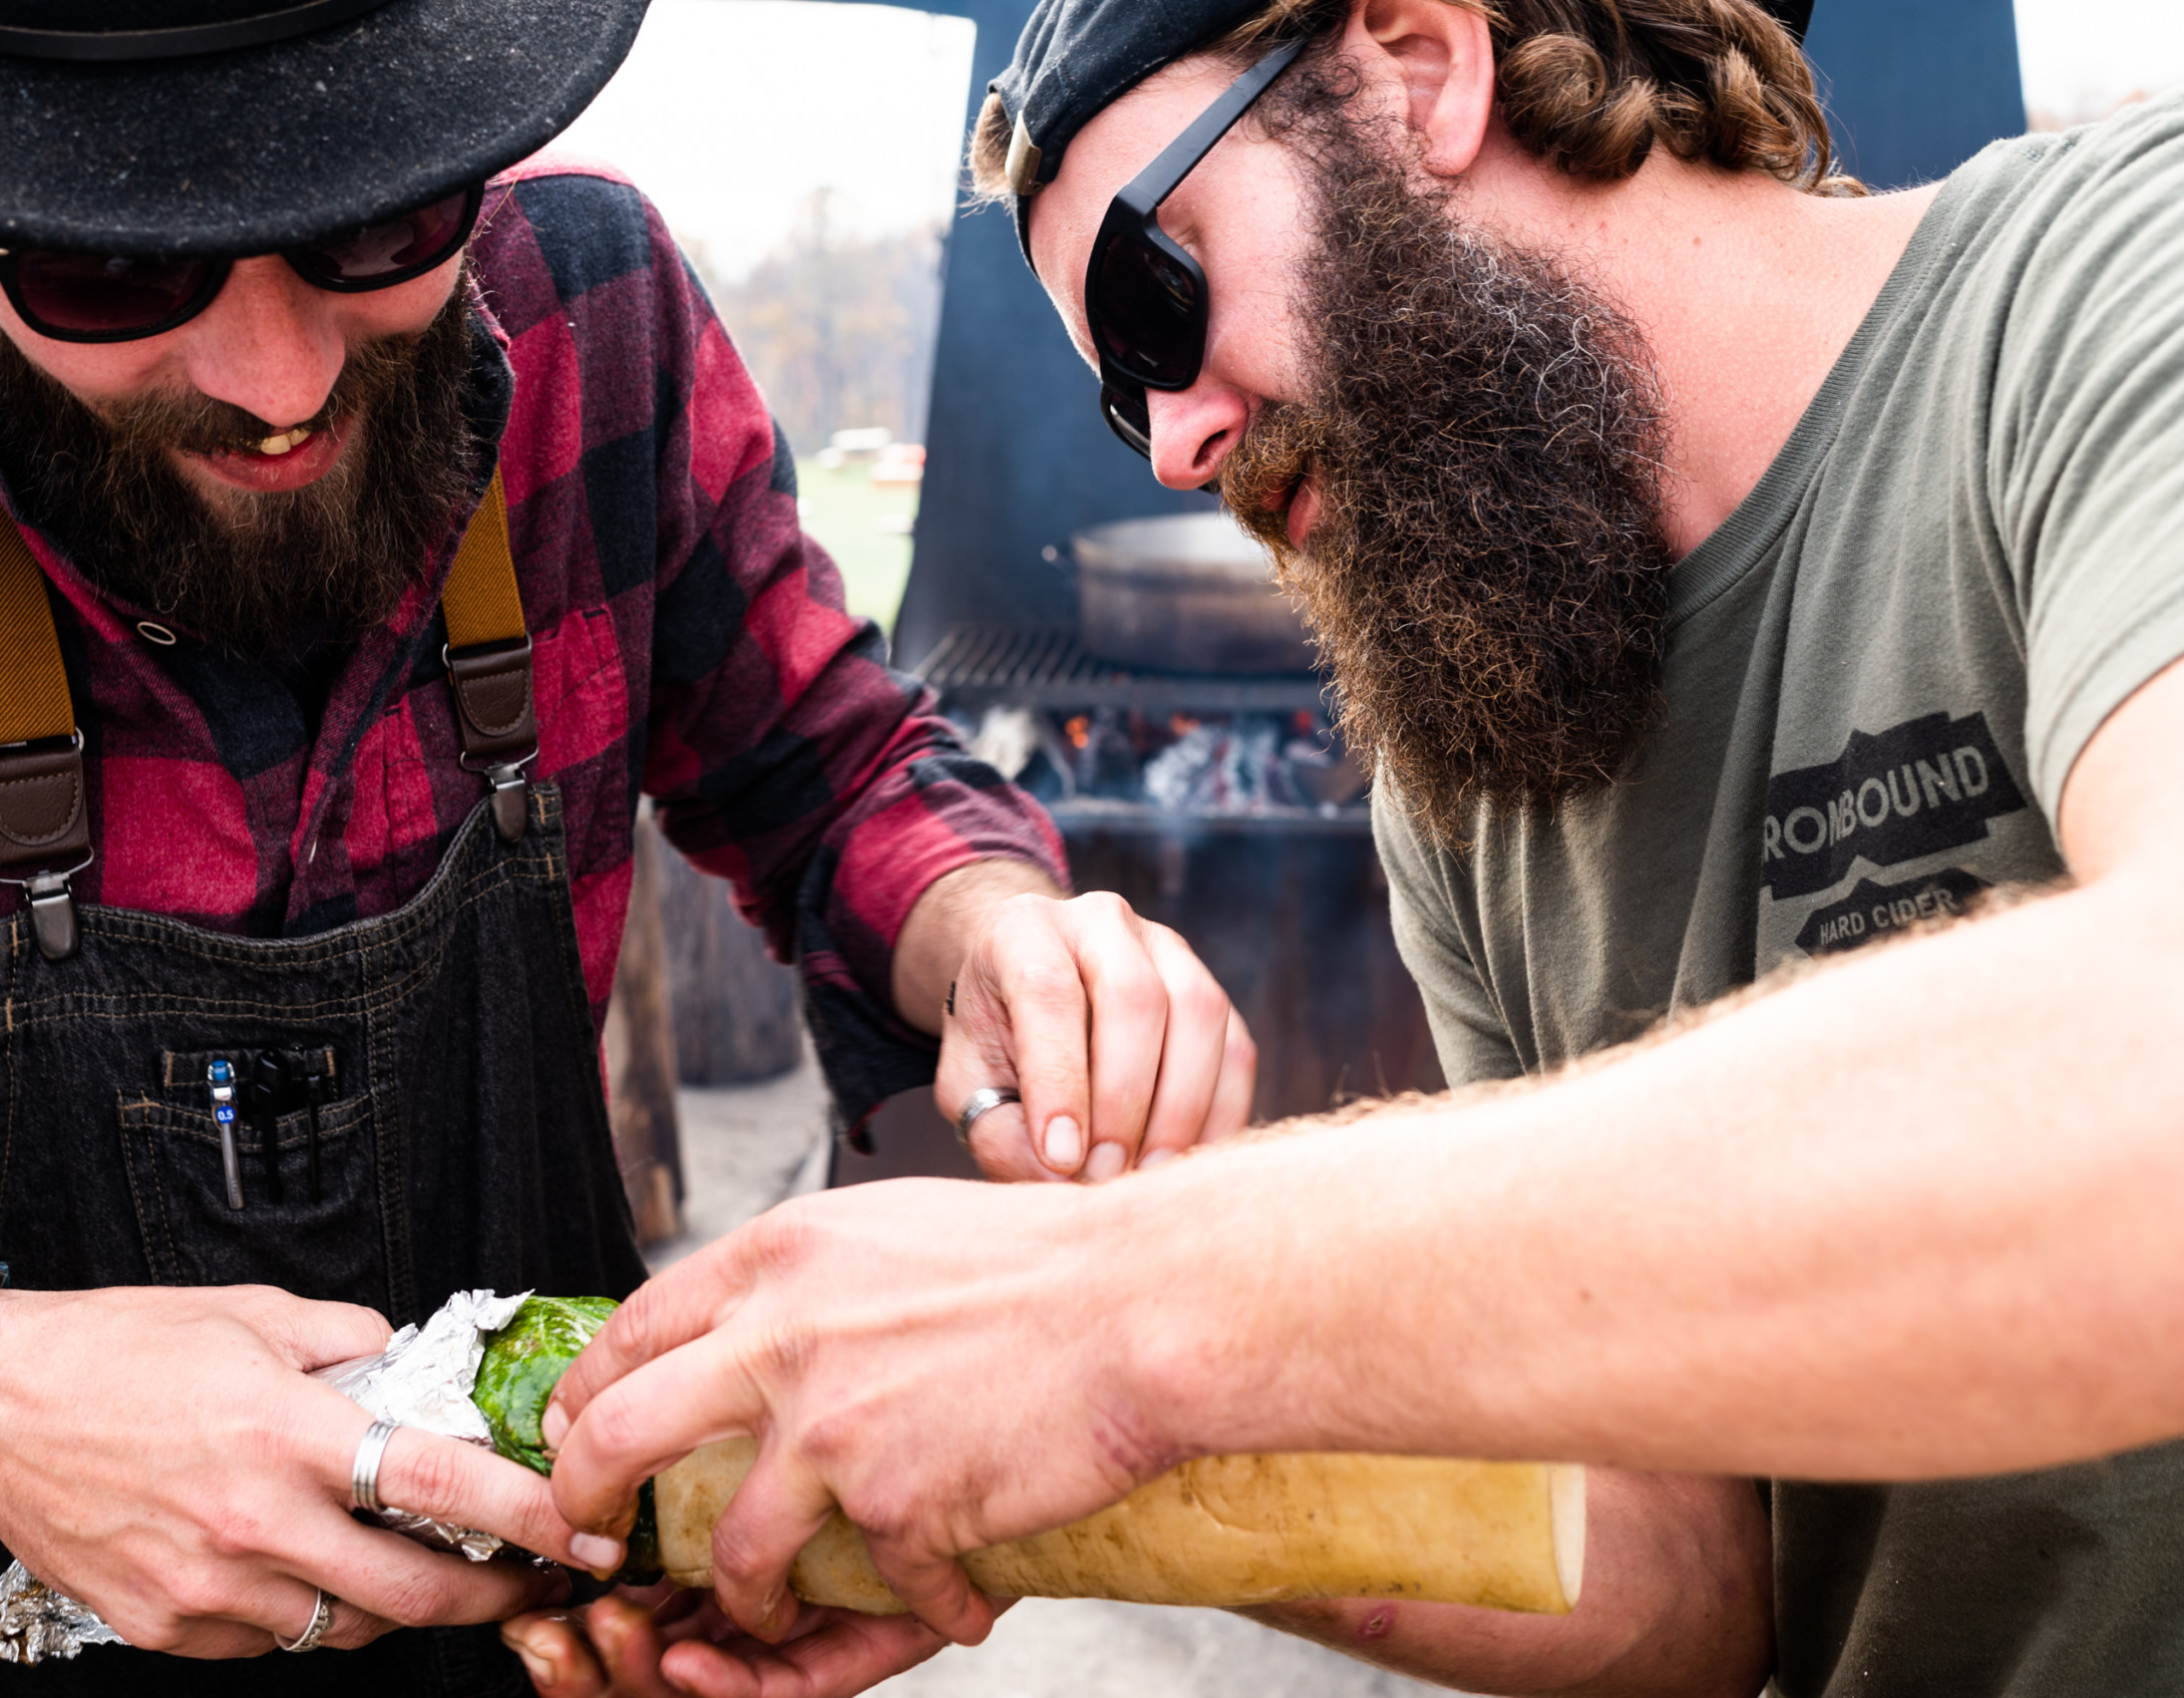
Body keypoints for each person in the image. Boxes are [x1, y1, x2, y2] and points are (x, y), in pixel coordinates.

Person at [535, 1, 2184, 1695]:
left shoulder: (2114, 282)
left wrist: (1119, 1313)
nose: (1173, 443)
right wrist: (1044, 1458)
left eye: (1150, 297)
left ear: (1416, 69)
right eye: (1117, 394)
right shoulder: (1478, 759)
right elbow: (1688, 1562)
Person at [0, 0, 1257, 1693]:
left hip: (569, 1617)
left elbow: (826, 763)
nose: (286, 382)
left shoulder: (586, 304)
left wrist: (993, 926)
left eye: (374, 230)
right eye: (111, 269)